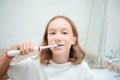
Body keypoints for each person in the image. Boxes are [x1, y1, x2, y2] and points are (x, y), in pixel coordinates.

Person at [0, 15, 93, 80]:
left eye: (64, 33)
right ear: (47, 39)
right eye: (52, 33)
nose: (57, 38)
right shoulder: (32, 65)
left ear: (74, 40)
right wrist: (10, 53)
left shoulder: (82, 69)